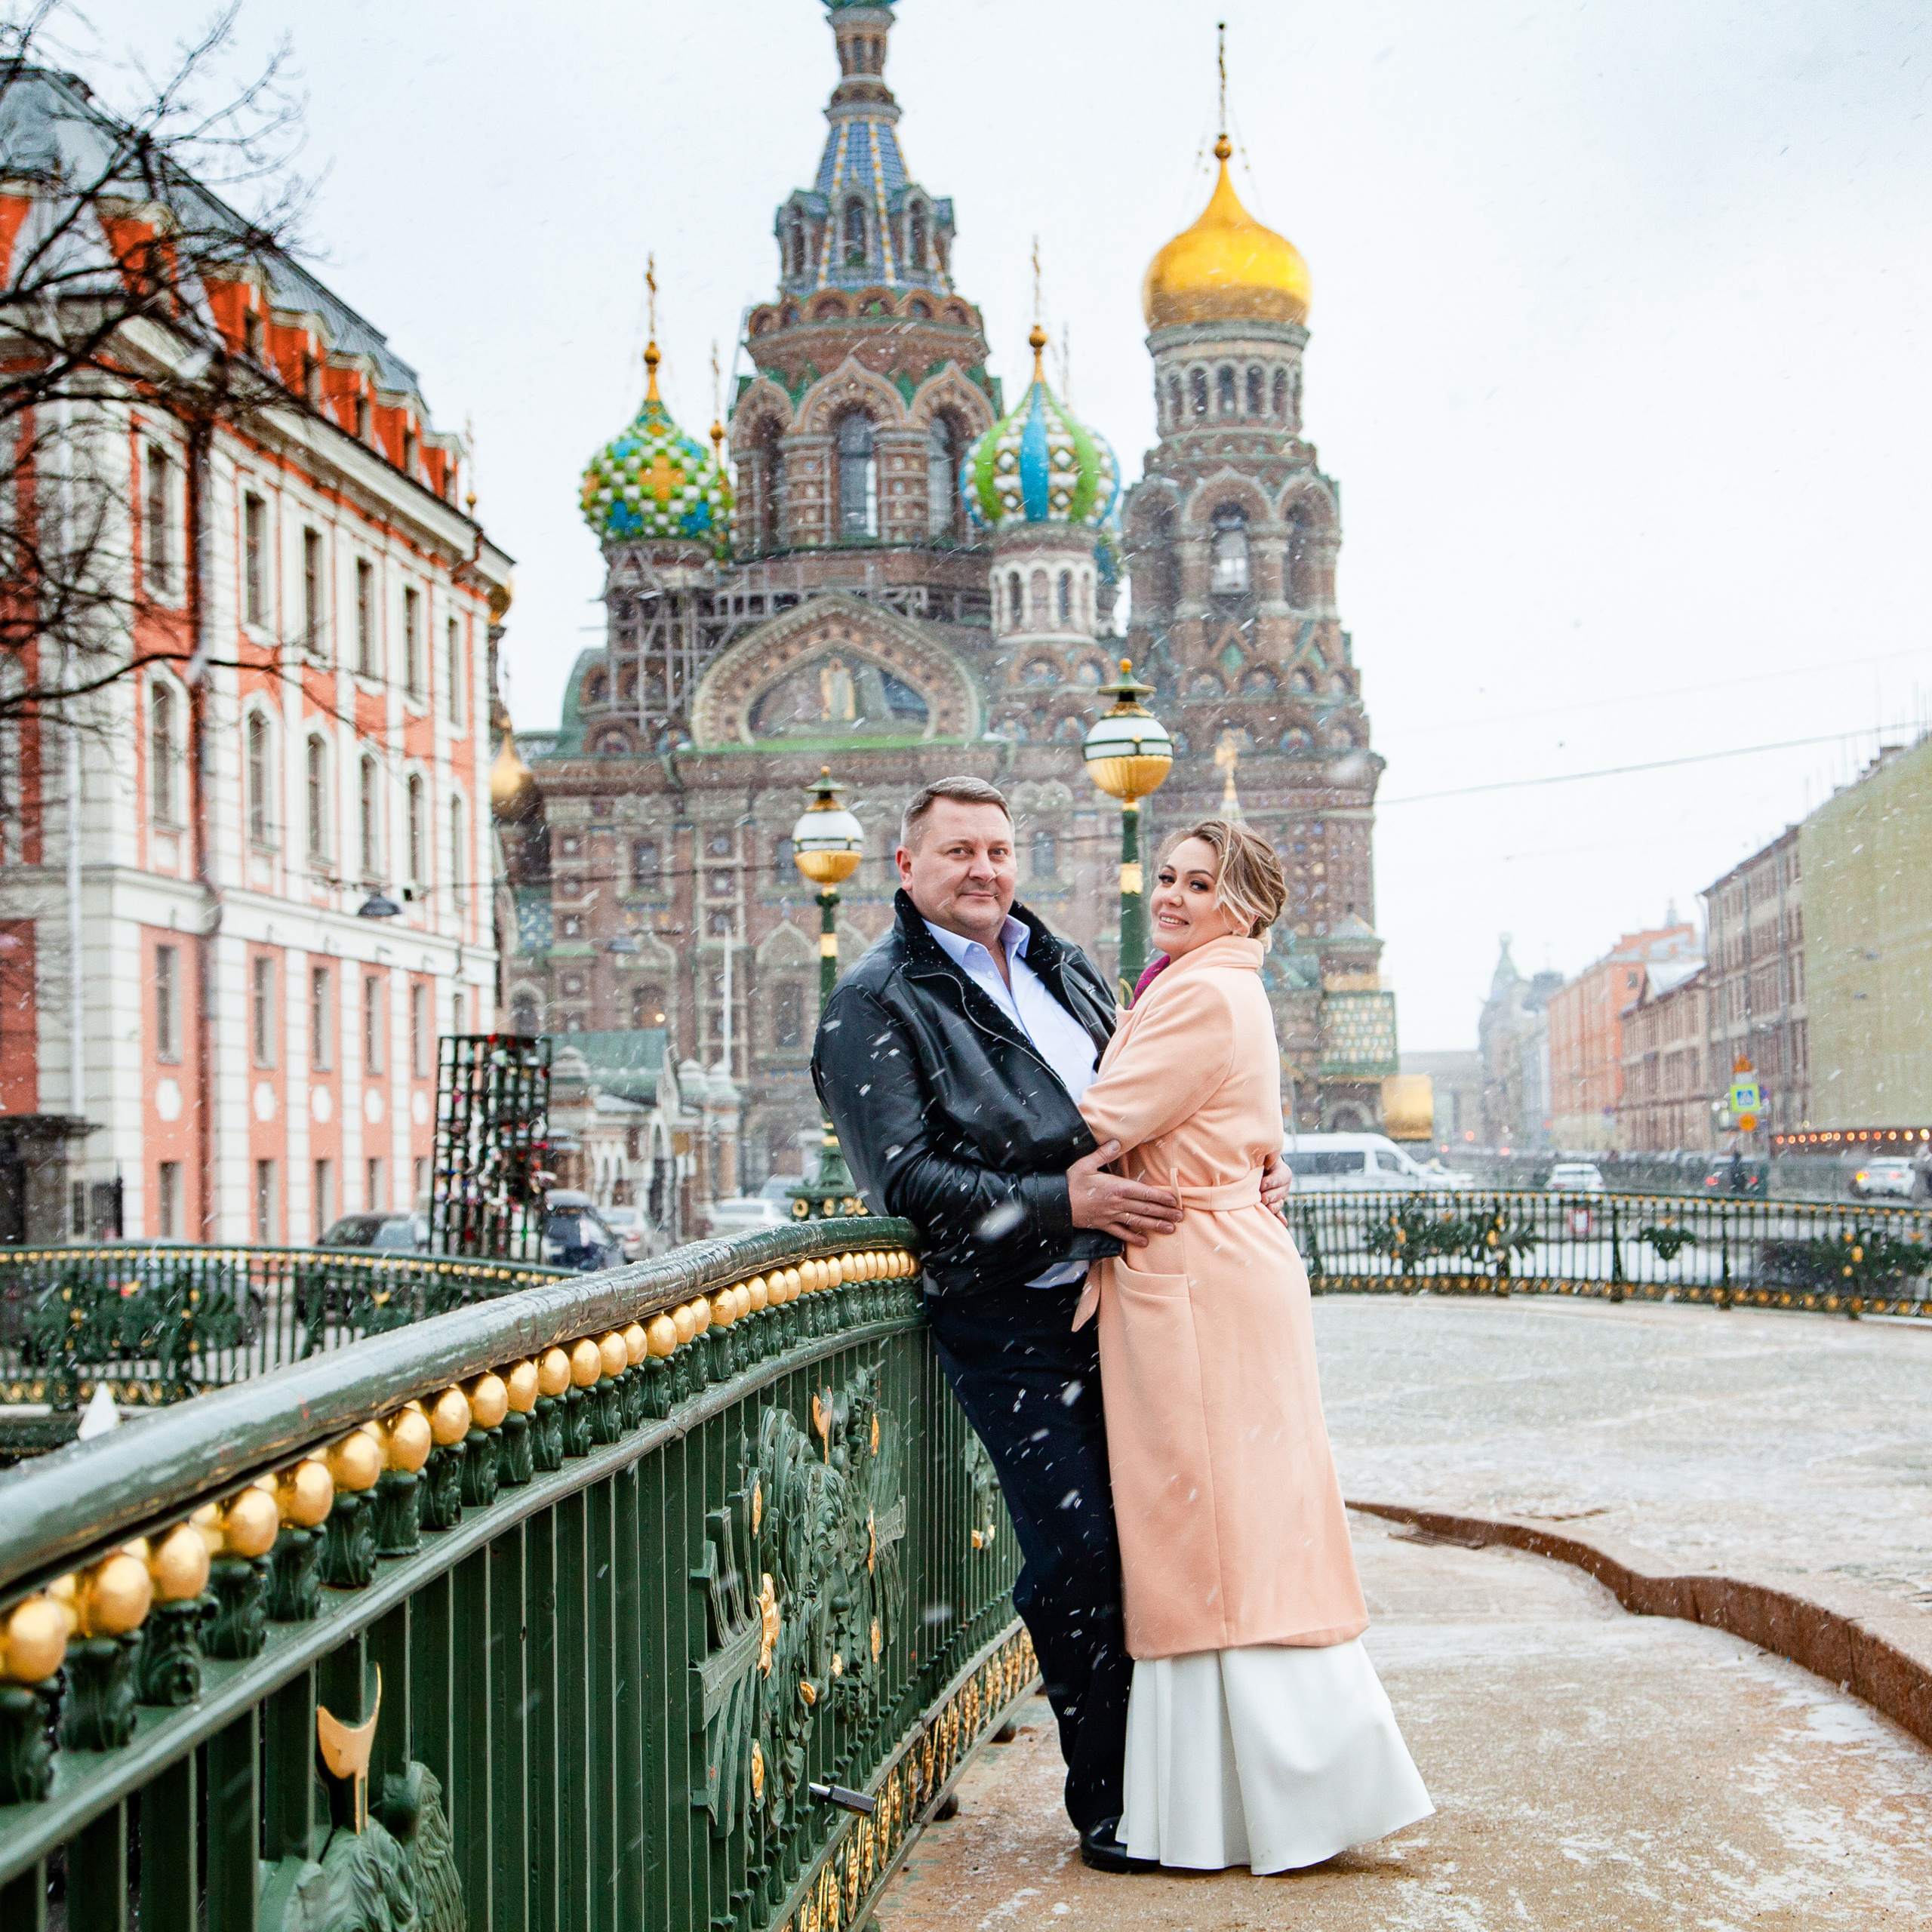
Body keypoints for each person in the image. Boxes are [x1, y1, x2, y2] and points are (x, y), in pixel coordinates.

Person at [812, 777, 1290, 1872]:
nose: (984, 871)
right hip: (1010, 1317)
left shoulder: (1064, 965)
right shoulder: (876, 1003)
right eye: (957, 853)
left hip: (1132, 1301)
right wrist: (1056, 1205)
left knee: (1177, 1541)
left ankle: (1190, 1790)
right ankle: (1115, 1803)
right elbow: (906, 1180)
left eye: (998, 850)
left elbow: (1164, 1104)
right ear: (907, 869)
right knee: (1079, 1558)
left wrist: (1259, 1161)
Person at [1072, 817, 1432, 1873]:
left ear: (1249, 908)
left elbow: (1096, 1118)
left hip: (1196, 1281)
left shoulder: (1195, 991)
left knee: (1206, 1533)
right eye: (1169, 878)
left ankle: (1234, 1809)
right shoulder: (1220, 982)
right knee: (1244, 1531)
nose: (1171, 897)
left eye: (1201, 883)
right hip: (1223, 1266)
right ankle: (1275, 1797)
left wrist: (958, 1161)